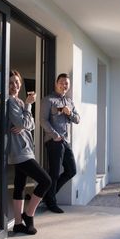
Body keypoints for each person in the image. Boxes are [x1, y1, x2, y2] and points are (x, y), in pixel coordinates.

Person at [7, 70, 51, 234]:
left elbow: (31, 125)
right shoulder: (11, 102)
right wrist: (28, 106)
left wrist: (24, 121)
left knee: (20, 186)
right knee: (46, 181)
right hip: (20, 151)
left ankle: (18, 224)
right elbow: (23, 121)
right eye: (11, 82)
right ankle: (29, 214)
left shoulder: (18, 101)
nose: (15, 85)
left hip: (25, 149)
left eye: (17, 82)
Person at [40, 73, 80, 213]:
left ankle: (46, 195)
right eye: (62, 82)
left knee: (71, 170)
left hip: (65, 141)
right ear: (56, 84)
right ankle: (51, 202)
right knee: (54, 173)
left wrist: (69, 113)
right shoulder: (48, 100)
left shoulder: (69, 101)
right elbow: (43, 121)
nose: (64, 85)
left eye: (66, 84)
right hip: (53, 141)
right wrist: (55, 136)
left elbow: (77, 119)